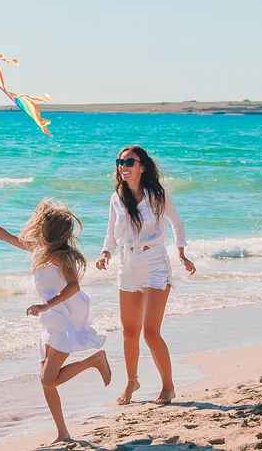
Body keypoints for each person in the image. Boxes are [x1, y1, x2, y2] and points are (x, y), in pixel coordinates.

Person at [0, 199, 111, 444]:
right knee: (47, 381)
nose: (36, 226)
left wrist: (45, 305)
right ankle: (63, 433)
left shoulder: (60, 256)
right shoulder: (39, 249)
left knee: (47, 379)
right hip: (50, 319)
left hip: (64, 319)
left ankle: (95, 360)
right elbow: (5, 236)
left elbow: (74, 286)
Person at [95, 145, 196, 405]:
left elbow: (178, 223)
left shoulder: (158, 195)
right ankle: (132, 383)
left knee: (150, 332)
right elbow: (110, 232)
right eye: (120, 161)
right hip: (127, 264)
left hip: (154, 263)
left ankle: (168, 387)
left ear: (142, 166)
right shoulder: (116, 197)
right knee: (129, 331)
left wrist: (182, 254)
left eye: (129, 161)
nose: (123, 166)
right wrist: (106, 253)